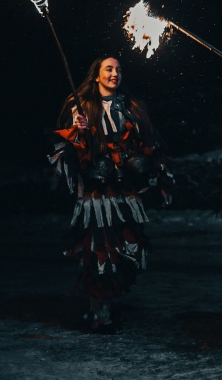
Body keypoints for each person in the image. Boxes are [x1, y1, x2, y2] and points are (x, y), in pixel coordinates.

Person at [48, 55, 174, 333]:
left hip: (124, 193)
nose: (115, 74)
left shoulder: (132, 107)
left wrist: (149, 169)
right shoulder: (80, 106)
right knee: (98, 252)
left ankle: (108, 305)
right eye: (109, 69)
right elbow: (68, 150)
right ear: (96, 75)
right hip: (96, 194)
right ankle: (97, 312)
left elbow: (149, 144)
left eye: (119, 69)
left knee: (125, 250)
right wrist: (77, 132)